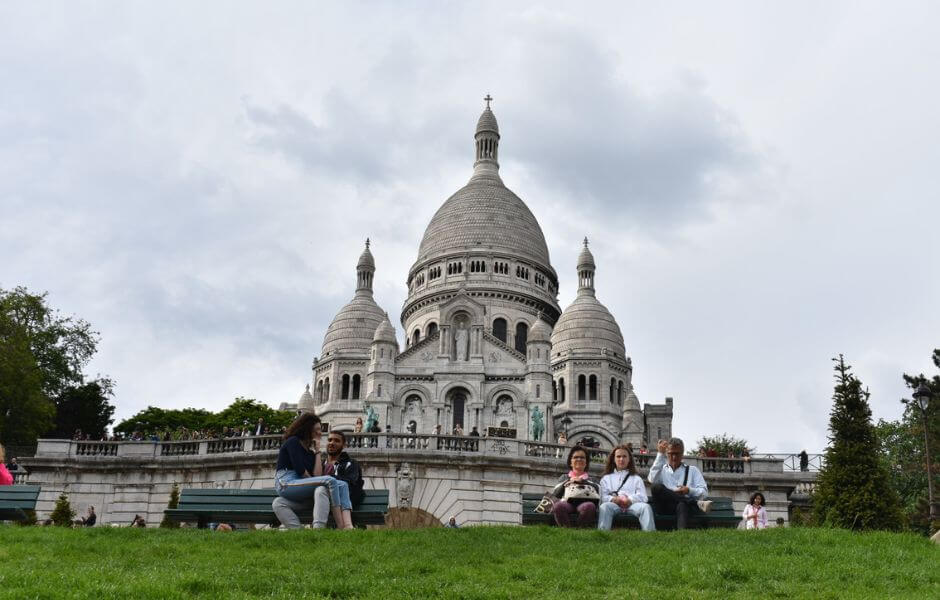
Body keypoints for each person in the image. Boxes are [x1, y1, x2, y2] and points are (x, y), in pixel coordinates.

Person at [271, 413, 354, 530]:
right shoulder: (293, 441)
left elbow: (317, 475)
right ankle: (341, 526)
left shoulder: (310, 452)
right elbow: (300, 470)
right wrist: (316, 482)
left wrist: (317, 451)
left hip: (301, 484)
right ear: (307, 429)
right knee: (330, 480)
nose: (320, 433)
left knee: (278, 503)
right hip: (285, 482)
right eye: (318, 429)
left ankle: (309, 532)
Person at [648, 437, 712, 530]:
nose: (673, 457)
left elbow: (704, 492)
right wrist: (660, 454)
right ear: (666, 453)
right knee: (656, 487)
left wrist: (689, 490)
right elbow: (651, 479)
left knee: (682, 504)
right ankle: (695, 503)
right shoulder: (660, 469)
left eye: (677, 454)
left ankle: (681, 535)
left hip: (682, 508)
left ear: (682, 454)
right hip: (663, 507)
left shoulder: (693, 470)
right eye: (670, 454)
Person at [597, 445, 655, 531]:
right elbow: (603, 496)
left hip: (632, 506)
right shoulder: (606, 478)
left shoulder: (636, 478)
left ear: (629, 459)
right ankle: (602, 534)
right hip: (613, 505)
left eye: (624, 456)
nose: (621, 459)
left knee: (645, 507)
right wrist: (613, 499)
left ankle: (650, 535)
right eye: (618, 456)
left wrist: (630, 500)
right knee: (605, 507)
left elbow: (643, 497)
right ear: (614, 459)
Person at [550, 446, 599, 528]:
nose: (579, 459)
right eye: (576, 457)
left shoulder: (592, 479)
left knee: (590, 506)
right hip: (567, 503)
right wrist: (568, 482)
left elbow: (599, 491)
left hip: (585, 503)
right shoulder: (564, 477)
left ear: (586, 462)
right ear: (570, 462)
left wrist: (584, 482)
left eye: (582, 457)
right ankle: (567, 531)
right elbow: (556, 494)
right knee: (559, 506)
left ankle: (579, 531)